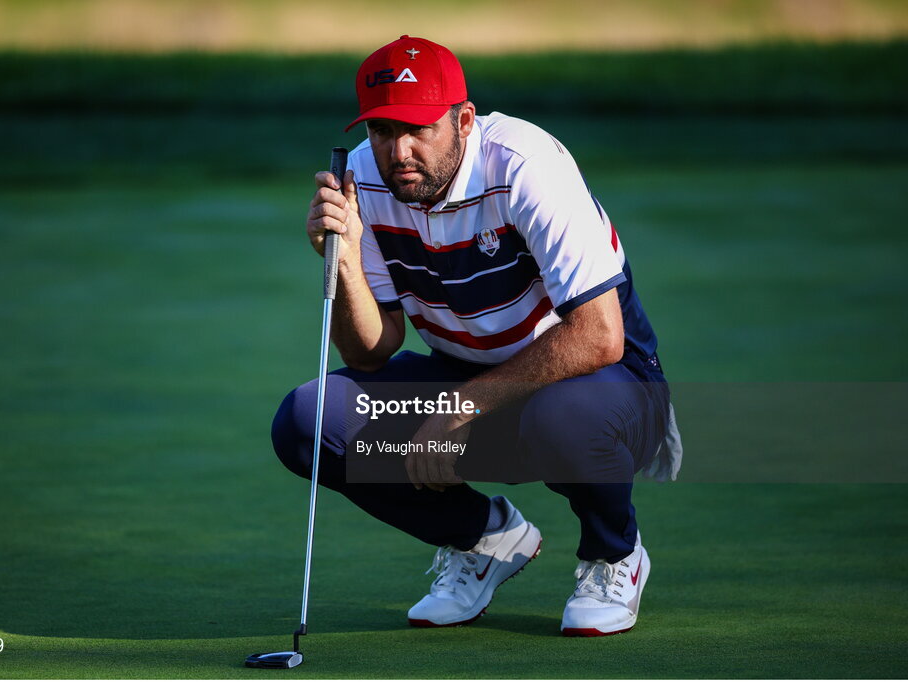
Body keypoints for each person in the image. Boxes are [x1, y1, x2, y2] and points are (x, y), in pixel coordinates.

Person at [271, 35, 680, 637]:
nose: (398, 150)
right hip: (473, 378)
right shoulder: (365, 174)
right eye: (383, 130)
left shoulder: (524, 165)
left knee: (563, 418)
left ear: (464, 120)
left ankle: (614, 554)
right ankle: (482, 539)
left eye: (418, 128)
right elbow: (370, 350)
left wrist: (458, 410)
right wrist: (346, 256)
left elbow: (598, 337)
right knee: (310, 420)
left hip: (606, 387)